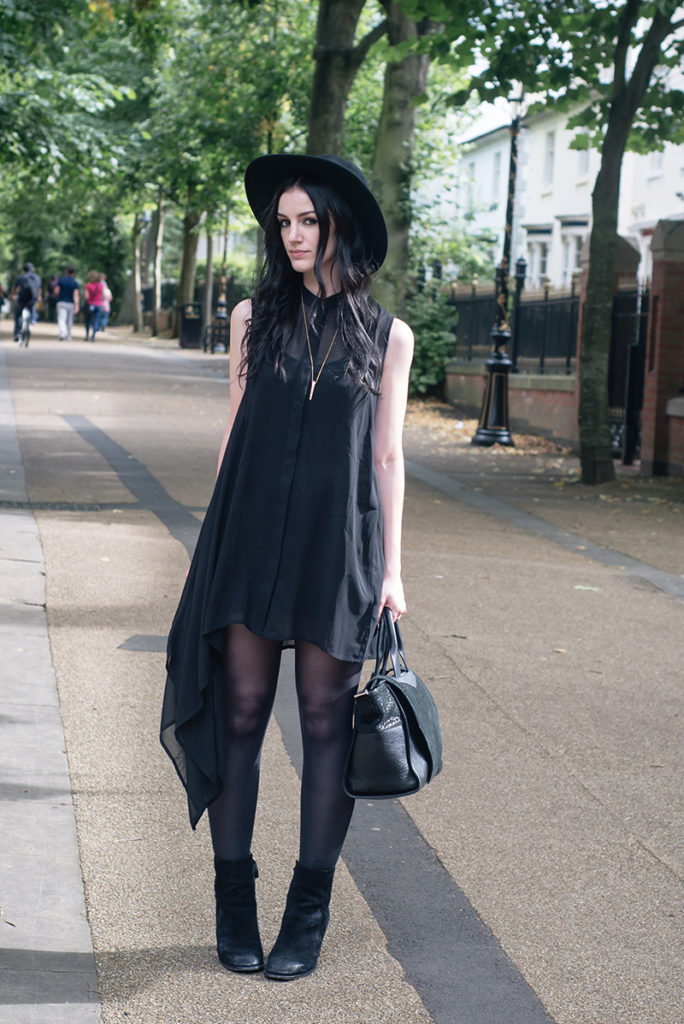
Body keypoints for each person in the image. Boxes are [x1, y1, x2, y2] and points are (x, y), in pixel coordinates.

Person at [161, 154, 413, 982]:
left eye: (308, 220)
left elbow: (386, 457)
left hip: (335, 548)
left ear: (340, 223)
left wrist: (393, 569)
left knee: (325, 730)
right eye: (284, 222)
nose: (294, 235)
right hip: (249, 541)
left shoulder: (387, 335)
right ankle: (235, 902)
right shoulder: (252, 318)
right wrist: (215, 541)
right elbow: (236, 432)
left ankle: (307, 911)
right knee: (236, 714)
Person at [12, 262, 41, 341]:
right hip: (32, 299)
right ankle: (33, 320)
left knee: (17, 315)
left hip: (22, 299)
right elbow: (39, 289)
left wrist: (12, 295)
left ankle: (17, 333)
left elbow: (15, 288)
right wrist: (39, 297)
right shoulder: (36, 277)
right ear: (32, 269)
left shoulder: (21, 277)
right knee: (32, 308)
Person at [55, 267, 80, 341]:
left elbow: (56, 291)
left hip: (62, 302)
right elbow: (75, 295)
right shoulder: (74, 283)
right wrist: (77, 305)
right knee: (70, 320)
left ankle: (62, 333)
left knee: (62, 319)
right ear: (73, 273)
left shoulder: (61, 280)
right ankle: (69, 335)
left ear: (67, 272)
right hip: (71, 304)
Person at [83, 269, 103, 341]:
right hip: (98, 305)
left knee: (88, 320)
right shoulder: (100, 285)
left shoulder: (88, 285)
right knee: (96, 320)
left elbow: (86, 297)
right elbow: (102, 296)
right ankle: (93, 336)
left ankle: (87, 335)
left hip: (90, 304)